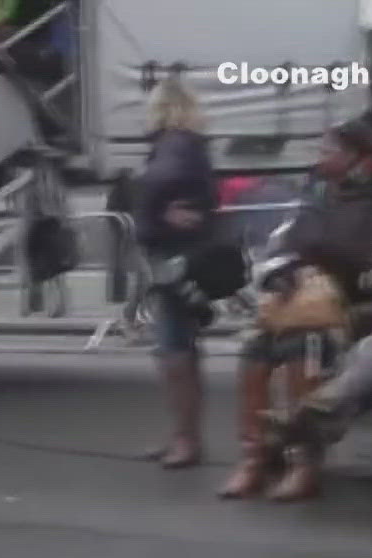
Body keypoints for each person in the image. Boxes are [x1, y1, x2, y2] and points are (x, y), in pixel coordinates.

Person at [221, 120, 372, 501]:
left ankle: (304, 462)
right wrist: (281, 275)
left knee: (305, 347)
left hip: (350, 305)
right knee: (256, 348)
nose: (319, 158)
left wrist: (323, 258)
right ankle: (255, 457)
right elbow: (285, 244)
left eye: (327, 151)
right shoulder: (318, 196)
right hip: (302, 298)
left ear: (355, 157)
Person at [133, 76, 218, 470]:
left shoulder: (173, 146)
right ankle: (184, 435)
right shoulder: (191, 147)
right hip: (187, 258)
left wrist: (152, 213)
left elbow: (157, 183)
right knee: (181, 350)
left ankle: (186, 439)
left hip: (174, 261)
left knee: (174, 352)